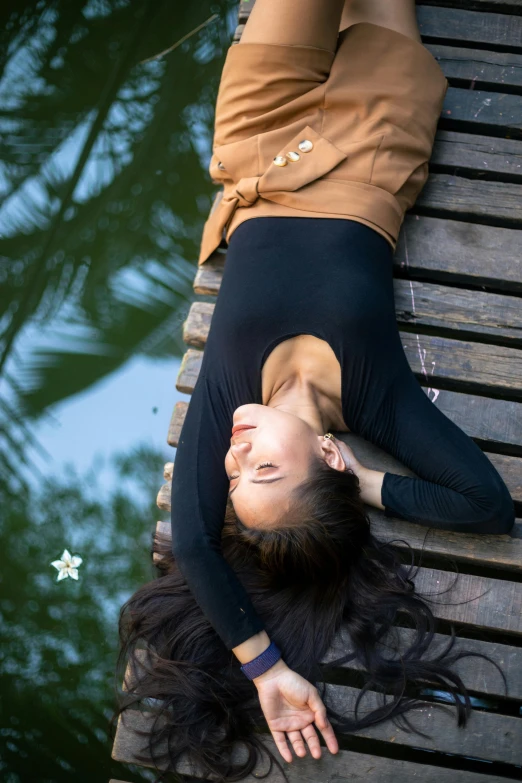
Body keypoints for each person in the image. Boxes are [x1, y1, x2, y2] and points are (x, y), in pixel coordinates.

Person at [116, 1, 515, 779]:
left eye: (231, 479)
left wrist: (265, 667)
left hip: (265, 133)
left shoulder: (232, 393)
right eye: (262, 469)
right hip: (375, 141)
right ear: (328, 455)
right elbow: (486, 505)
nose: (233, 455)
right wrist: (367, 483)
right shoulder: (376, 398)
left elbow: (195, 542)